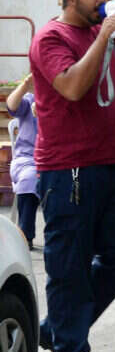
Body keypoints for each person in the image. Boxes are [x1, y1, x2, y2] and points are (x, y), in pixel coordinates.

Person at [28, 0, 115, 352]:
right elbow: (73, 86)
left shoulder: (98, 29)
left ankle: (58, 327)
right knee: (69, 268)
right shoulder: (51, 38)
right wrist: (105, 35)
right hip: (68, 170)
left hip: (110, 164)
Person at [7, 73, 39, 250]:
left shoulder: (64, 98)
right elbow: (12, 106)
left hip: (58, 158)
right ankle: (25, 235)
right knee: (30, 178)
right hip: (28, 158)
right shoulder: (29, 99)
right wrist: (26, 84)